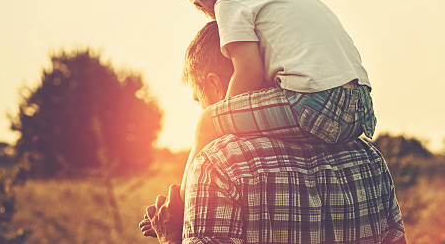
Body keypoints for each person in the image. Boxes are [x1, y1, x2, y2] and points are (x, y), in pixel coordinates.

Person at [139, 22, 407, 244]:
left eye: (199, 100)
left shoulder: (218, 165)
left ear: (214, 86)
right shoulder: (369, 160)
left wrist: (171, 238)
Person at [180, 0, 377, 198]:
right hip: (360, 108)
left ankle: (181, 202)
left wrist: (226, 118)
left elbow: (250, 71)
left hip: (313, 102)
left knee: (208, 121)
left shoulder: (228, 3)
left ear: (201, 3)